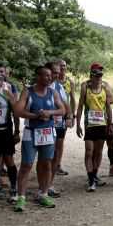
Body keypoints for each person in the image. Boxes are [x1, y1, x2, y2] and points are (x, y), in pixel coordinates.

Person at [14, 66, 65, 211]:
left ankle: (43, 194)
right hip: (31, 133)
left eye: (50, 76)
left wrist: (49, 112)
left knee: (46, 164)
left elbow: (63, 110)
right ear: (38, 76)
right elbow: (18, 111)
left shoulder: (52, 92)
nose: (49, 78)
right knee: (26, 165)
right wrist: (36, 115)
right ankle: (21, 198)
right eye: (46, 76)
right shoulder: (28, 91)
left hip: (48, 133)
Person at [76, 63, 113, 192]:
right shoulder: (85, 87)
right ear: (91, 76)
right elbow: (80, 106)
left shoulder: (105, 88)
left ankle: (94, 175)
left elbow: (109, 106)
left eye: (100, 75)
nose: (98, 77)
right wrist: (78, 124)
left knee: (98, 152)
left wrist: (111, 124)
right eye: (96, 75)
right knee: (89, 151)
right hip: (89, 125)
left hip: (102, 125)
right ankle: (91, 180)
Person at [46, 62, 72, 197]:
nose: (56, 75)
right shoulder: (36, 88)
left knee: (56, 154)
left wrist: (69, 116)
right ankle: (43, 184)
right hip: (44, 127)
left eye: (57, 73)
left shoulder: (59, 87)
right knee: (46, 156)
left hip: (58, 125)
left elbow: (66, 103)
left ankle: (49, 184)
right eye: (54, 72)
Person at [56, 59, 76, 176]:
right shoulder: (52, 81)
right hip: (53, 114)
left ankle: (58, 165)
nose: (63, 68)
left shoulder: (69, 82)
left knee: (60, 140)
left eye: (64, 66)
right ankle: (51, 163)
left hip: (64, 115)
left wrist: (72, 115)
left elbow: (73, 99)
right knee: (52, 141)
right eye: (60, 66)